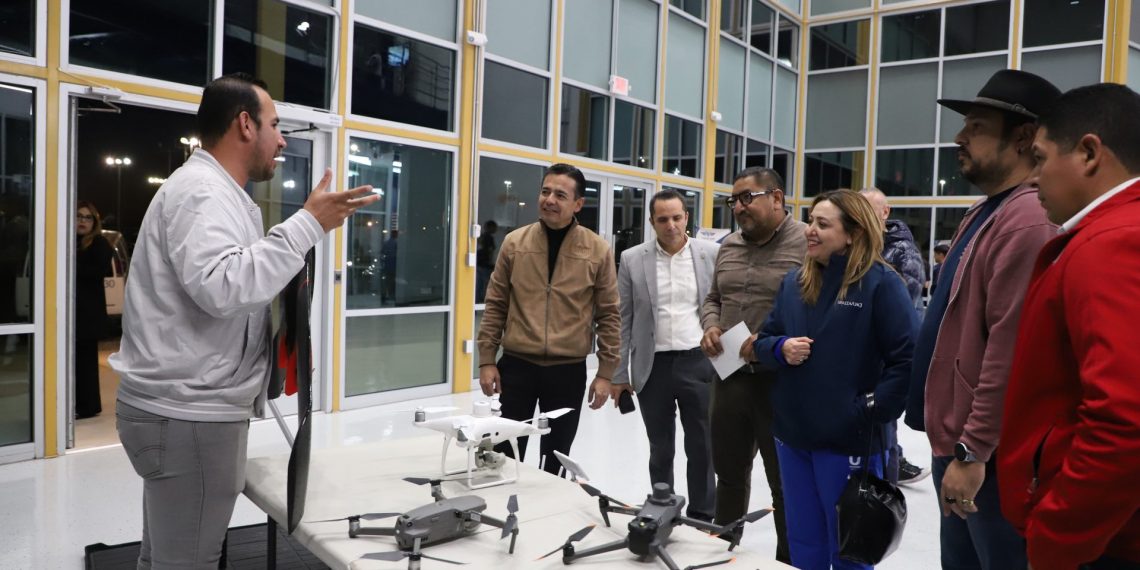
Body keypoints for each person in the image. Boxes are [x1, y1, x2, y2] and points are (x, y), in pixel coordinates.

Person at [109, 73, 378, 568]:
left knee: (164, 557)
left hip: (183, 410)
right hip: (188, 417)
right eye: (275, 125)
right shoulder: (202, 193)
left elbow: (224, 287)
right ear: (245, 124)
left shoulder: (215, 192)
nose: (282, 140)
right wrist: (307, 225)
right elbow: (224, 287)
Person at [903, 69, 1060, 570]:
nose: (959, 138)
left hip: (986, 456)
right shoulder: (988, 210)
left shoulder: (1028, 219)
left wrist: (973, 452)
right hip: (960, 443)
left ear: (1024, 137)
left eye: (976, 127)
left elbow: (1008, 350)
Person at [999, 83, 1140, 570]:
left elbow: (1124, 418)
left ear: (1088, 153)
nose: (1034, 178)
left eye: (1040, 158)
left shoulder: (1110, 243)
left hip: (1103, 544)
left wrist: (1057, 538)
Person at [752, 189, 916, 570]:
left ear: (853, 234)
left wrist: (867, 410)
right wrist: (780, 348)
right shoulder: (795, 283)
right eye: (811, 221)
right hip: (794, 437)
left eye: (822, 224)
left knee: (848, 551)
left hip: (847, 443)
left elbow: (907, 361)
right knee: (803, 545)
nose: (810, 229)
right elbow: (763, 341)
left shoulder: (881, 285)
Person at [477, 162, 621, 475]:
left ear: (578, 204)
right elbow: (496, 304)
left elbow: (609, 314)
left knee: (556, 456)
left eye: (560, 195)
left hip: (567, 372)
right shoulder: (515, 243)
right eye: (545, 192)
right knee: (504, 453)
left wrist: (606, 373)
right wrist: (487, 359)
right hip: (517, 367)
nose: (549, 200)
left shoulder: (597, 250)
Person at [700, 166, 805, 563]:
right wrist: (711, 325)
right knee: (728, 476)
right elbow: (713, 298)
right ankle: (723, 556)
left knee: (785, 484)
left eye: (747, 197)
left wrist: (773, 342)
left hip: (782, 382)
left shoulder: (806, 242)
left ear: (776, 198)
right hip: (729, 376)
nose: (739, 207)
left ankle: (787, 562)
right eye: (734, 200)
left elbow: (817, 309)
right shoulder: (728, 245)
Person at [611, 189, 719, 521]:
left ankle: (702, 516)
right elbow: (623, 319)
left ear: (687, 217)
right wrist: (619, 374)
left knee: (702, 446)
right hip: (652, 367)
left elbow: (723, 307)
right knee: (660, 447)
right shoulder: (632, 258)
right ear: (651, 222)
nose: (670, 225)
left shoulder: (711, 254)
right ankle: (663, 510)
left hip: (699, 362)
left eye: (676, 217)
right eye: (662, 219)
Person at [859, 187, 931, 486]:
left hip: (889, 352)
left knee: (882, 413)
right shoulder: (859, 244)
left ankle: (888, 472)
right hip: (862, 349)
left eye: (867, 207)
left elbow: (903, 305)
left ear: (885, 212)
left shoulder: (903, 251)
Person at [74, 201, 113, 419]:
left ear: (94, 222)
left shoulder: (99, 244)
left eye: (87, 217)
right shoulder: (71, 241)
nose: (82, 221)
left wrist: (72, 264)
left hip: (87, 314)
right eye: (79, 216)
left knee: (86, 363)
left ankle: (88, 407)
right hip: (73, 312)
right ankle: (76, 403)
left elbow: (98, 272)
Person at [475, 219, 498, 302]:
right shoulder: (489, 238)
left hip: (479, 262)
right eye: (494, 227)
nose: (496, 229)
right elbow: (490, 251)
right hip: (485, 264)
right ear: (490, 227)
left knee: (479, 284)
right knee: (486, 283)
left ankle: (477, 301)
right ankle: (484, 301)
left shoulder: (481, 237)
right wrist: (492, 263)